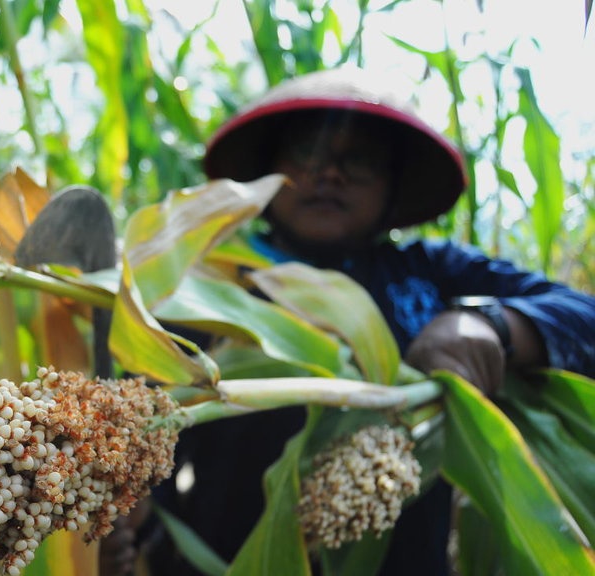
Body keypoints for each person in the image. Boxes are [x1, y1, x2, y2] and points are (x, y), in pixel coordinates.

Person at [102, 67, 595, 576]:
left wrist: (494, 324)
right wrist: (139, 532)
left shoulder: (429, 272)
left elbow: (584, 315)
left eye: (358, 160)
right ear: (270, 169)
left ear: (392, 183)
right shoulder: (207, 284)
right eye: (308, 152)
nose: (330, 173)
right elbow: (148, 439)